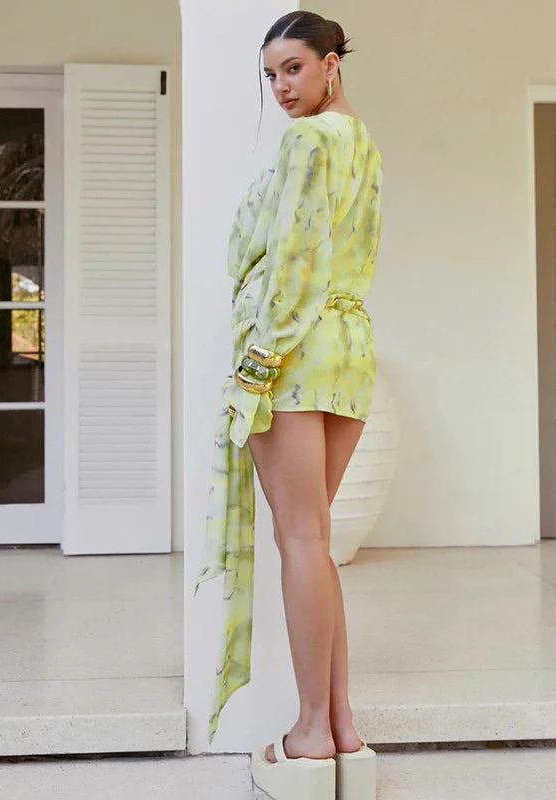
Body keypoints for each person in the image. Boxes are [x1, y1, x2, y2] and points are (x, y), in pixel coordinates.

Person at [195, 10, 383, 800]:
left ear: (332, 65)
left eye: (295, 69)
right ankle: (341, 729)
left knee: (300, 540)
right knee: (316, 540)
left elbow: (295, 260)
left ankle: (308, 738)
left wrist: (258, 364)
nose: (281, 87)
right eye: (271, 74)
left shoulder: (308, 144)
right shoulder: (361, 142)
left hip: (297, 349)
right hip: (349, 344)